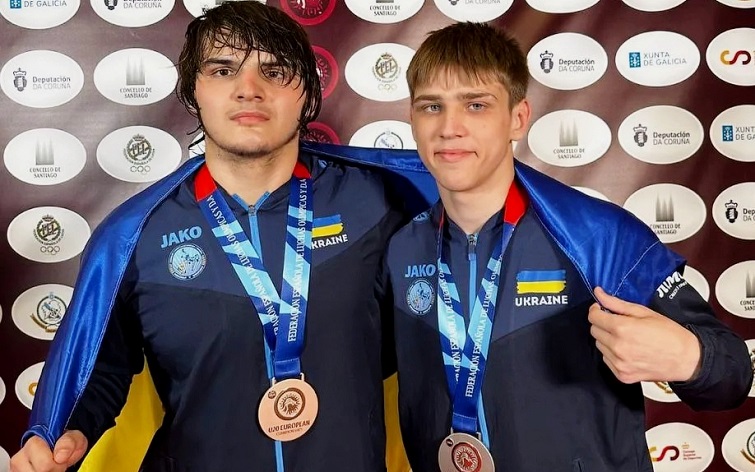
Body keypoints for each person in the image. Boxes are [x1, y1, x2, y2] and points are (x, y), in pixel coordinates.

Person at [10, 2, 410, 471]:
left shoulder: (374, 204)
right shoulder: (135, 235)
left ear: (307, 93)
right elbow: (97, 367)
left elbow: (429, 332)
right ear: (193, 92)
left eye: (275, 72)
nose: (249, 89)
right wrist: (68, 431)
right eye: (223, 70)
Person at [380, 22, 753, 472]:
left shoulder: (594, 235)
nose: (449, 127)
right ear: (412, 119)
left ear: (518, 118)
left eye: (476, 105)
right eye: (431, 106)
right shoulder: (401, 249)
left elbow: (733, 375)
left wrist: (690, 357)